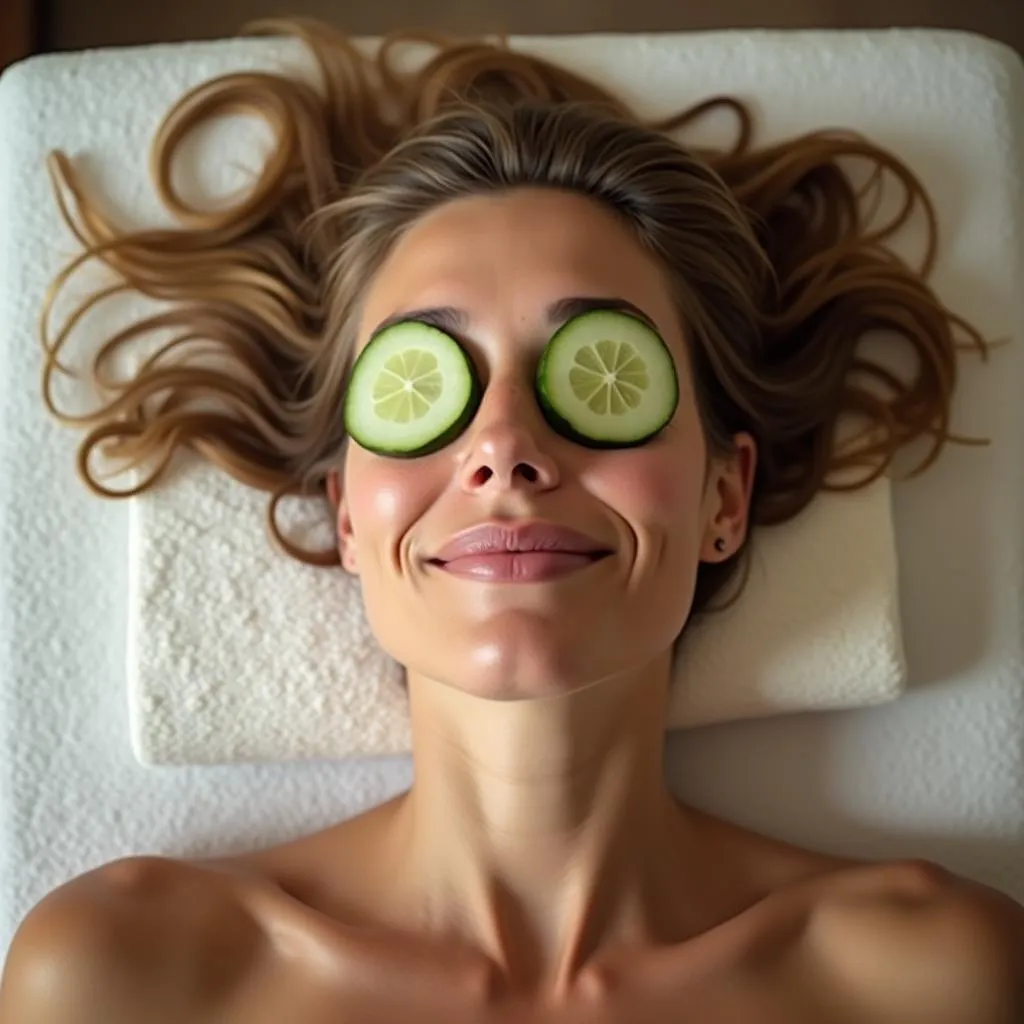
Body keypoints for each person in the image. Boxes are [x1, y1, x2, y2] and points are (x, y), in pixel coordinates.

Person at [1, 17, 1022, 1023]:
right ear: (348, 516)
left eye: (600, 375)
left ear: (724, 496)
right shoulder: (127, 977)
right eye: (421, 386)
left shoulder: (929, 980)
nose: (503, 443)